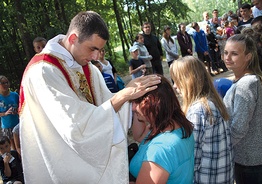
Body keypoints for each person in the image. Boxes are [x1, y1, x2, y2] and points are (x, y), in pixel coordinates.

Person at [19, 11, 161, 183]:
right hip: (63, 164)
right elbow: (75, 128)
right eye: (92, 48)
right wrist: (123, 96)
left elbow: (106, 106)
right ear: (72, 38)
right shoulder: (43, 71)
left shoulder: (87, 67)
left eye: (100, 50)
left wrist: (135, 100)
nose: (95, 57)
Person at [170, 56, 234, 184]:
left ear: (189, 80)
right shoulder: (212, 101)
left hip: (207, 178)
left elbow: (192, 157)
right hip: (221, 176)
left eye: (177, 81)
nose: (175, 86)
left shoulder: (198, 110)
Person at [223, 34, 262, 184]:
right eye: (225, 52)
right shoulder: (245, 80)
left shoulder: (246, 84)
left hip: (249, 159)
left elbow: (239, 127)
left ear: (248, 57)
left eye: (234, 54)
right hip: (250, 155)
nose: (227, 57)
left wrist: (222, 146)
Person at [129, 75, 194, 184]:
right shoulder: (176, 126)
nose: (132, 107)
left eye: (135, 101)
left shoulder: (160, 149)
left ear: (149, 102)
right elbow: (139, 136)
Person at [0, 76, 19, 151]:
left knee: (20, 146)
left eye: (7, 82)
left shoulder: (14, 95)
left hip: (17, 124)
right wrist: (5, 113)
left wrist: (16, 111)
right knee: (13, 148)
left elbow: (21, 107)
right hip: (6, 126)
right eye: (3, 83)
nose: (5, 85)